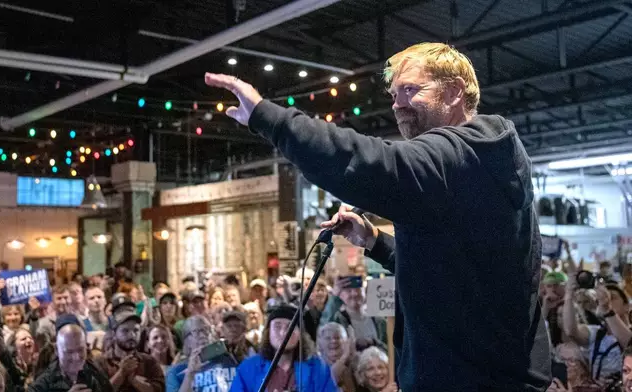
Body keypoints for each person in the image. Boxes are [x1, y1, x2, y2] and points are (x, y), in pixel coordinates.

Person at [205, 41, 551, 391]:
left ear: (454, 92)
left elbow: (368, 164)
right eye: (394, 93)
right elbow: (451, 271)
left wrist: (269, 118)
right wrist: (374, 242)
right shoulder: (475, 164)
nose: (397, 104)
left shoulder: (464, 154)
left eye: (410, 90)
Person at [229, 305, 337, 392]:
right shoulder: (248, 369)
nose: (283, 332)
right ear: (268, 332)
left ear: (300, 334)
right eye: (277, 326)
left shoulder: (318, 369)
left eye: (290, 327)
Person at [29, 315, 113, 392]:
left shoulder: (96, 374)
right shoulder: (44, 383)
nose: (76, 357)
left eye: (80, 350)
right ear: (57, 351)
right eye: (69, 352)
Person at [93, 309, 165, 392]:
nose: (132, 335)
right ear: (114, 333)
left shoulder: (149, 361)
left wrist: (134, 381)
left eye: (136, 330)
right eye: (125, 331)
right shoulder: (100, 362)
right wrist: (121, 373)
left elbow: (159, 389)